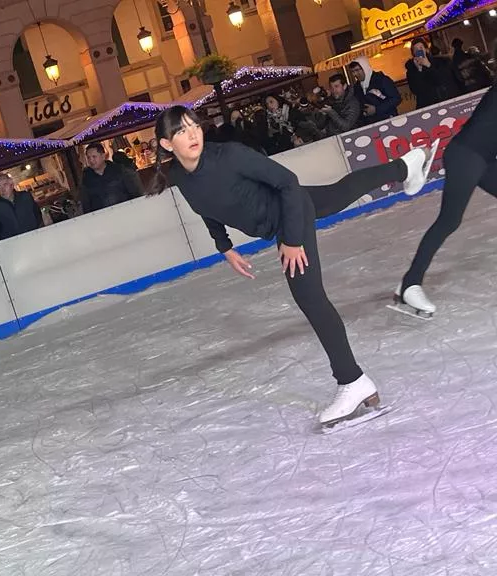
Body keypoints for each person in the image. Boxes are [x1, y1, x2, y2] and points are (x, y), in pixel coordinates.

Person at [147, 105, 433, 429]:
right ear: (167, 145)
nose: (192, 134)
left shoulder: (229, 156)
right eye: (181, 131)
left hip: (289, 215)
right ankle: (405, 166)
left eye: (193, 125)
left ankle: (352, 381)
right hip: (289, 214)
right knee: (342, 191)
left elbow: (288, 183)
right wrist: (224, 246)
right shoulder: (181, 176)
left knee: (310, 298)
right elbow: (207, 208)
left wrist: (292, 239)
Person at [396, 63, 497, 317]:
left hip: (482, 158)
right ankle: (410, 284)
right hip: (467, 156)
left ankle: (407, 282)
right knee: (449, 220)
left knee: (449, 220)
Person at [81, 143, 143, 213]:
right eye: (88, 157)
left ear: (103, 156)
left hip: (125, 212)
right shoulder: (87, 179)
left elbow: (135, 192)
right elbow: (86, 204)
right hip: (102, 217)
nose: (91, 160)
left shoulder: (119, 171)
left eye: (94, 157)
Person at [405, 38, 459, 109]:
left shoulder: (439, 62)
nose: (419, 50)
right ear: (413, 53)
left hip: (443, 100)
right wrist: (419, 70)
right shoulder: (411, 70)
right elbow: (416, 90)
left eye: (421, 47)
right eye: (416, 49)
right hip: (426, 105)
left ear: (426, 49)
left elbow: (442, 80)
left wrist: (428, 65)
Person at [348, 57, 401, 125]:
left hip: (389, 121)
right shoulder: (357, 87)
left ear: (365, 68)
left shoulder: (381, 80)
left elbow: (396, 98)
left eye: (357, 70)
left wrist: (376, 109)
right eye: (352, 71)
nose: (355, 74)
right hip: (371, 125)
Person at [0, 174, 42, 241]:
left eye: (5, 184)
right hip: (14, 245)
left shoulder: (25, 197)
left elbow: (37, 214)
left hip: (34, 238)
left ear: (11, 185)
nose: (2, 189)